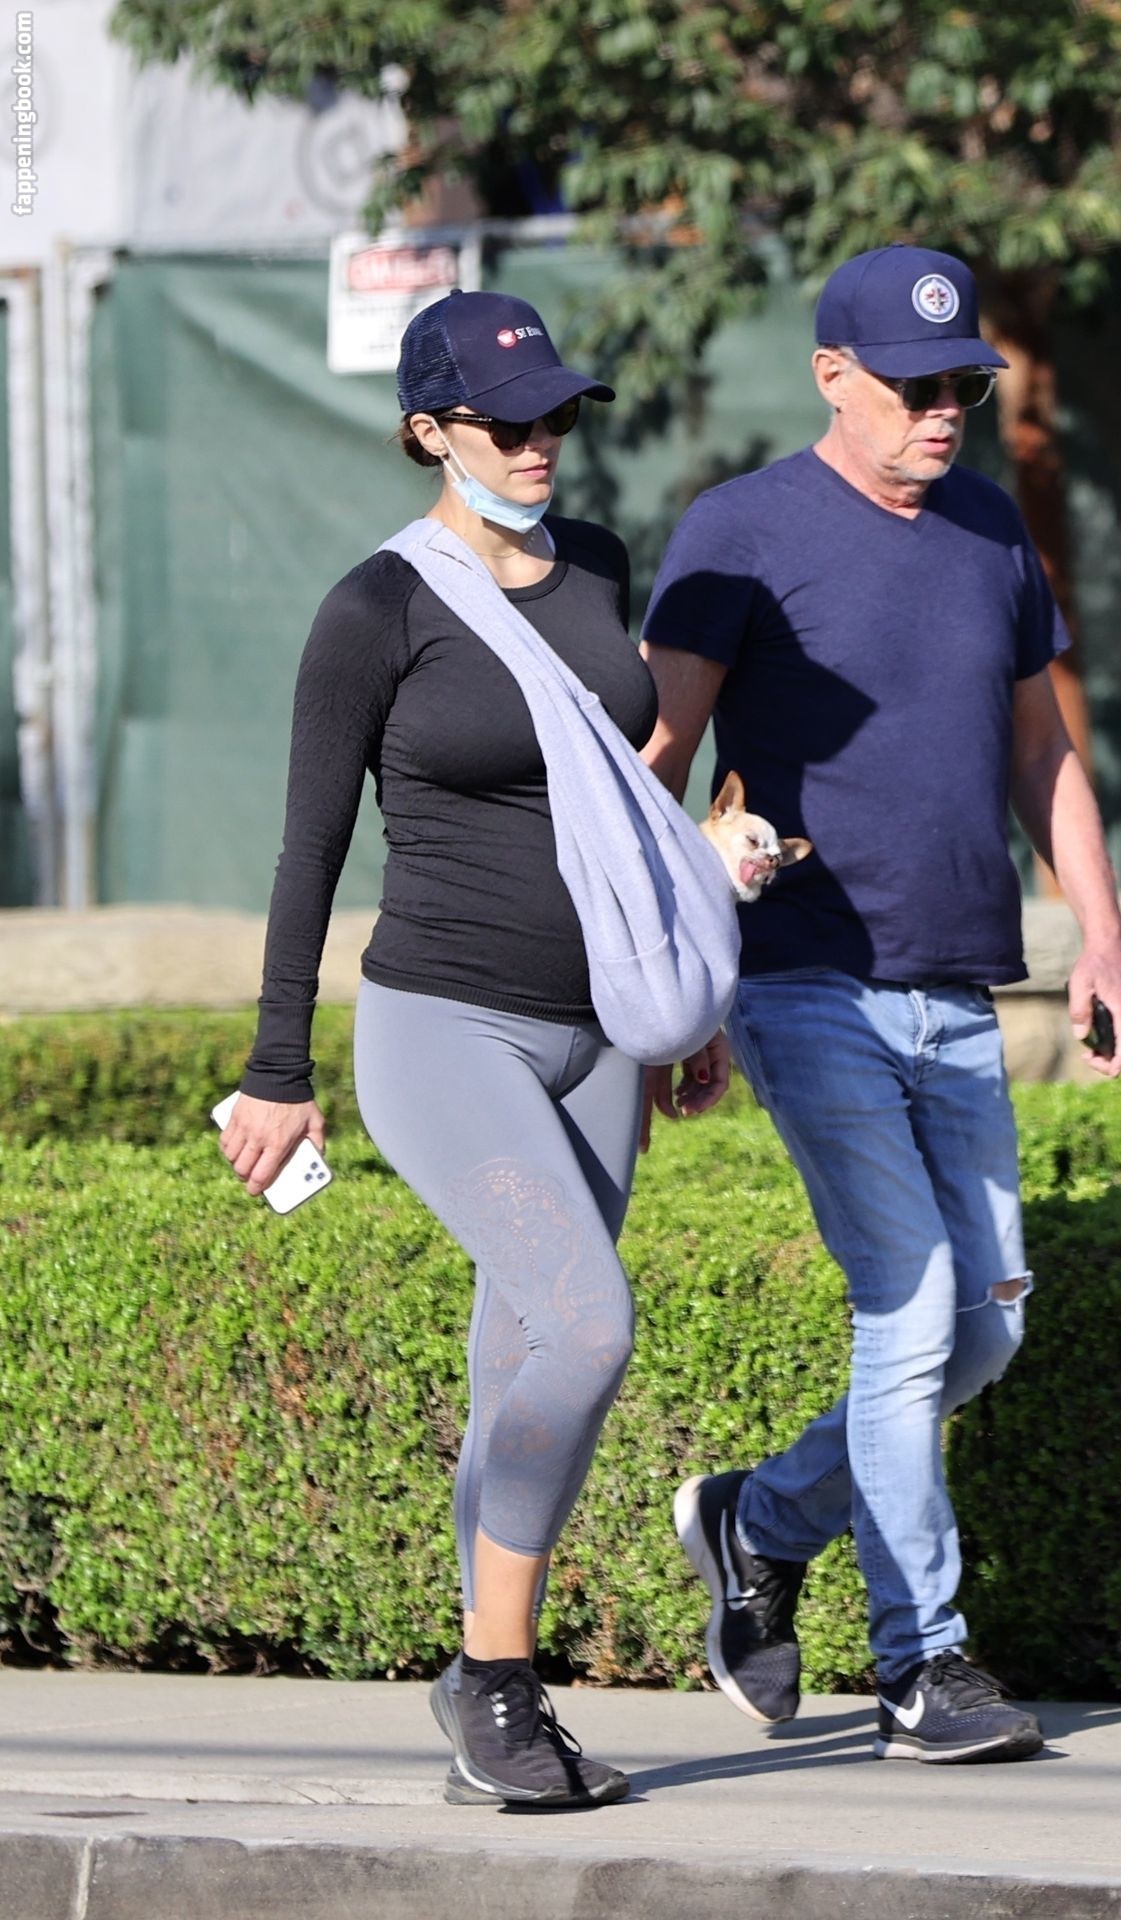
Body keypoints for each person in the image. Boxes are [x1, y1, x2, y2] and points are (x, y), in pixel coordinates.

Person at [220, 288, 728, 1810]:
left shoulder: (602, 570)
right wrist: (279, 1069)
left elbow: (629, 803)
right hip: (443, 1024)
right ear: (429, 431)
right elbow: (309, 850)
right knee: (589, 1329)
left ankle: (493, 1703)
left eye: (554, 414)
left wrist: (682, 1009)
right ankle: (492, 1678)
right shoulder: (374, 608)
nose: (536, 443)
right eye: (503, 423)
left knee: (524, 1360)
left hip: (599, 1034)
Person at [640, 245, 1121, 1765]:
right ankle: (922, 1660)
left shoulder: (989, 530)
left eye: (961, 388)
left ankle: (760, 1518)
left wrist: (1103, 933)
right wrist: (674, 987)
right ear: (831, 377)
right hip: (804, 981)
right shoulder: (739, 530)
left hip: (957, 986)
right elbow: (653, 767)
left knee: (985, 1331)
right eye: (913, 387)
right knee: (909, 1310)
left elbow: (1041, 750)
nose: (941, 412)